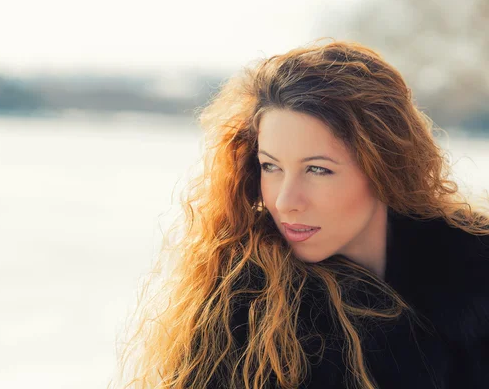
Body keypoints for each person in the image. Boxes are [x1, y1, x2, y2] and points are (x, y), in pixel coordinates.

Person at [111, 39, 489, 389]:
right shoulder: (243, 315)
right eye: (271, 167)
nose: (286, 201)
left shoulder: (474, 276)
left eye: (317, 169)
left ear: (384, 169)